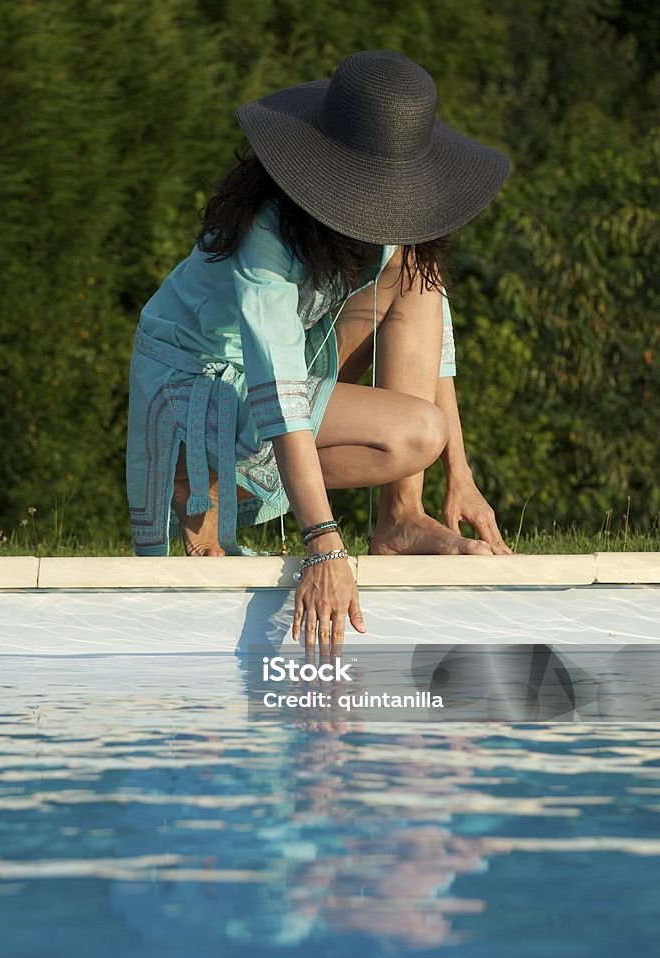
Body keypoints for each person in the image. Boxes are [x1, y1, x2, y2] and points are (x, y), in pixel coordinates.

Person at [126, 49, 513, 648]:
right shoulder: (266, 237)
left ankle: (401, 521)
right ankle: (199, 491)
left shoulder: (385, 228)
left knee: (415, 275)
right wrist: (323, 545)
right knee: (415, 432)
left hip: (277, 384)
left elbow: (434, 334)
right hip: (199, 391)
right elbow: (276, 386)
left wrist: (459, 475)